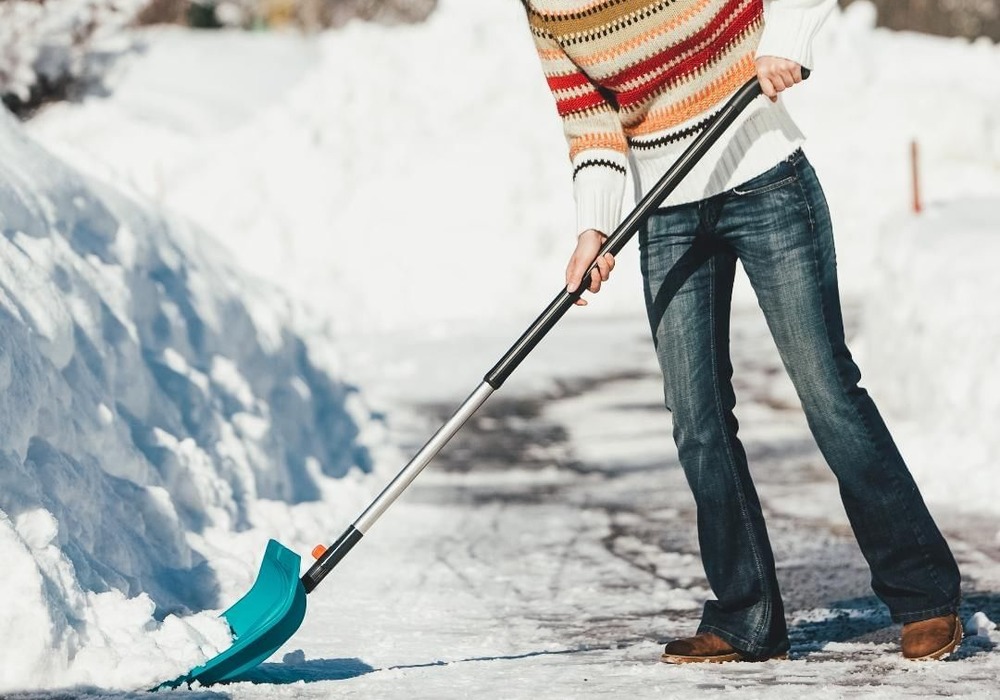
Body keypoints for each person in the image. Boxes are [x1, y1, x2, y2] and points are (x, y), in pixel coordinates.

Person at [519, 0, 962, 663]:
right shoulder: (544, 11)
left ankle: (924, 595)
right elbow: (591, 124)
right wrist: (596, 225)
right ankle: (745, 616)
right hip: (664, 211)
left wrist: (785, 40)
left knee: (827, 390)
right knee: (695, 417)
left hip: (764, 176)